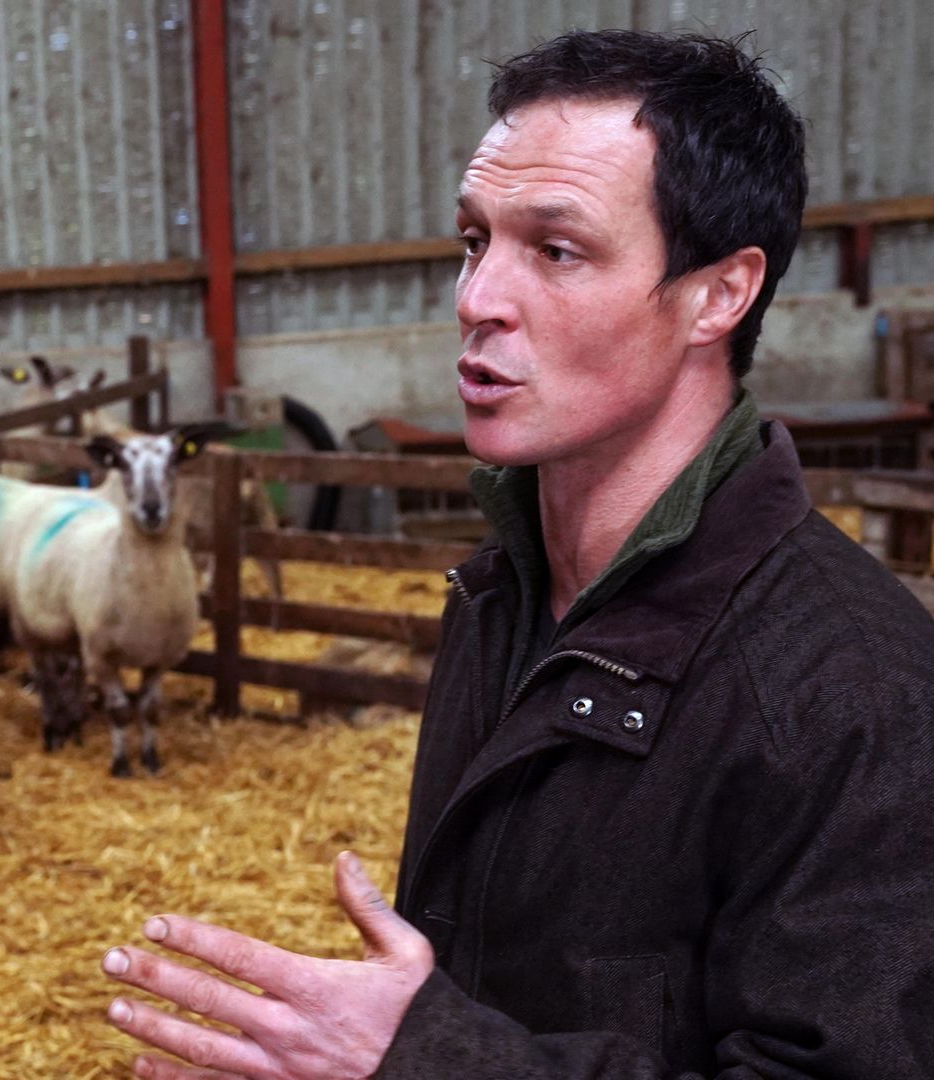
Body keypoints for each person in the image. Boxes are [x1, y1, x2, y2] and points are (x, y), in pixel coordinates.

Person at [98, 28, 934, 1079]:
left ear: (720, 294)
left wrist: (426, 1062)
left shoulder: (857, 695)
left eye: (557, 249)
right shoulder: (502, 592)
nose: (477, 297)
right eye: (473, 239)